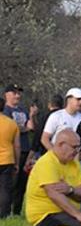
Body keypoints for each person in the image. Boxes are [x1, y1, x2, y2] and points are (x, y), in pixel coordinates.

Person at [3, 85, 36, 216]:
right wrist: (23, 128)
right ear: (7, 94)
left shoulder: (23, 110)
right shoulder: (5, 110)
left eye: (19, 93)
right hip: (11, 151)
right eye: (14, 93)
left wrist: (32, 116)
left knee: (22, 183)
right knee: (10, 183)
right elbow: (13, 128)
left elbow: (31, 127)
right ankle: (6, 209)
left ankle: (16, 210)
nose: (18, 96)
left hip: (25, 149)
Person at [40, 87, 81, 152]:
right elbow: (44, 139)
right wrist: (56, 154)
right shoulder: (56, 116)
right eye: (78, 99)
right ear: (69, 99)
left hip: (76, 159)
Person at [0, 109, 19, 219]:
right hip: (7, 159)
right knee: (5, 188)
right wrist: (16, 163)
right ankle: (4, 213)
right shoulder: (11, 123)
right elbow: (17, 145)